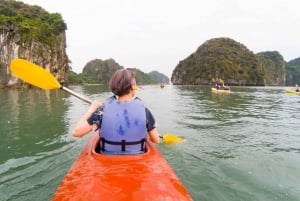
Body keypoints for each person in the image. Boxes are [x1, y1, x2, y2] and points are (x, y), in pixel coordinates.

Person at [72, 69, 160, 154]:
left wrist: (92, 109)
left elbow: (76, 132)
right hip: (137, 159)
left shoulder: (102, 111)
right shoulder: (144, 111)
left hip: (107, 159)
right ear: (133, 87)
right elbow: (156, 140)